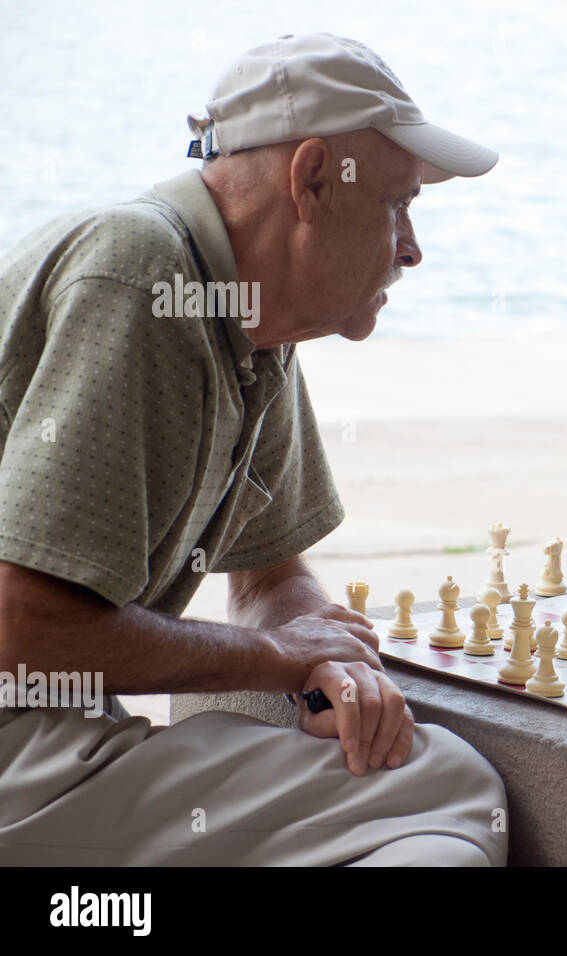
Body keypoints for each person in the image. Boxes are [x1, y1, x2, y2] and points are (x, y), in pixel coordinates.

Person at [0, 33, 508, 865]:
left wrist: (327, 660)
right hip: (19, 749)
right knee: (449, 787)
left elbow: (270, 575)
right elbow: (25, 626)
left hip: (47, 735)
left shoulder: (253, 319)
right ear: (311, 180)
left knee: (419, 803)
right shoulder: (144, 274)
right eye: (398, 204)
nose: (413, 247)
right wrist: (279, 657)